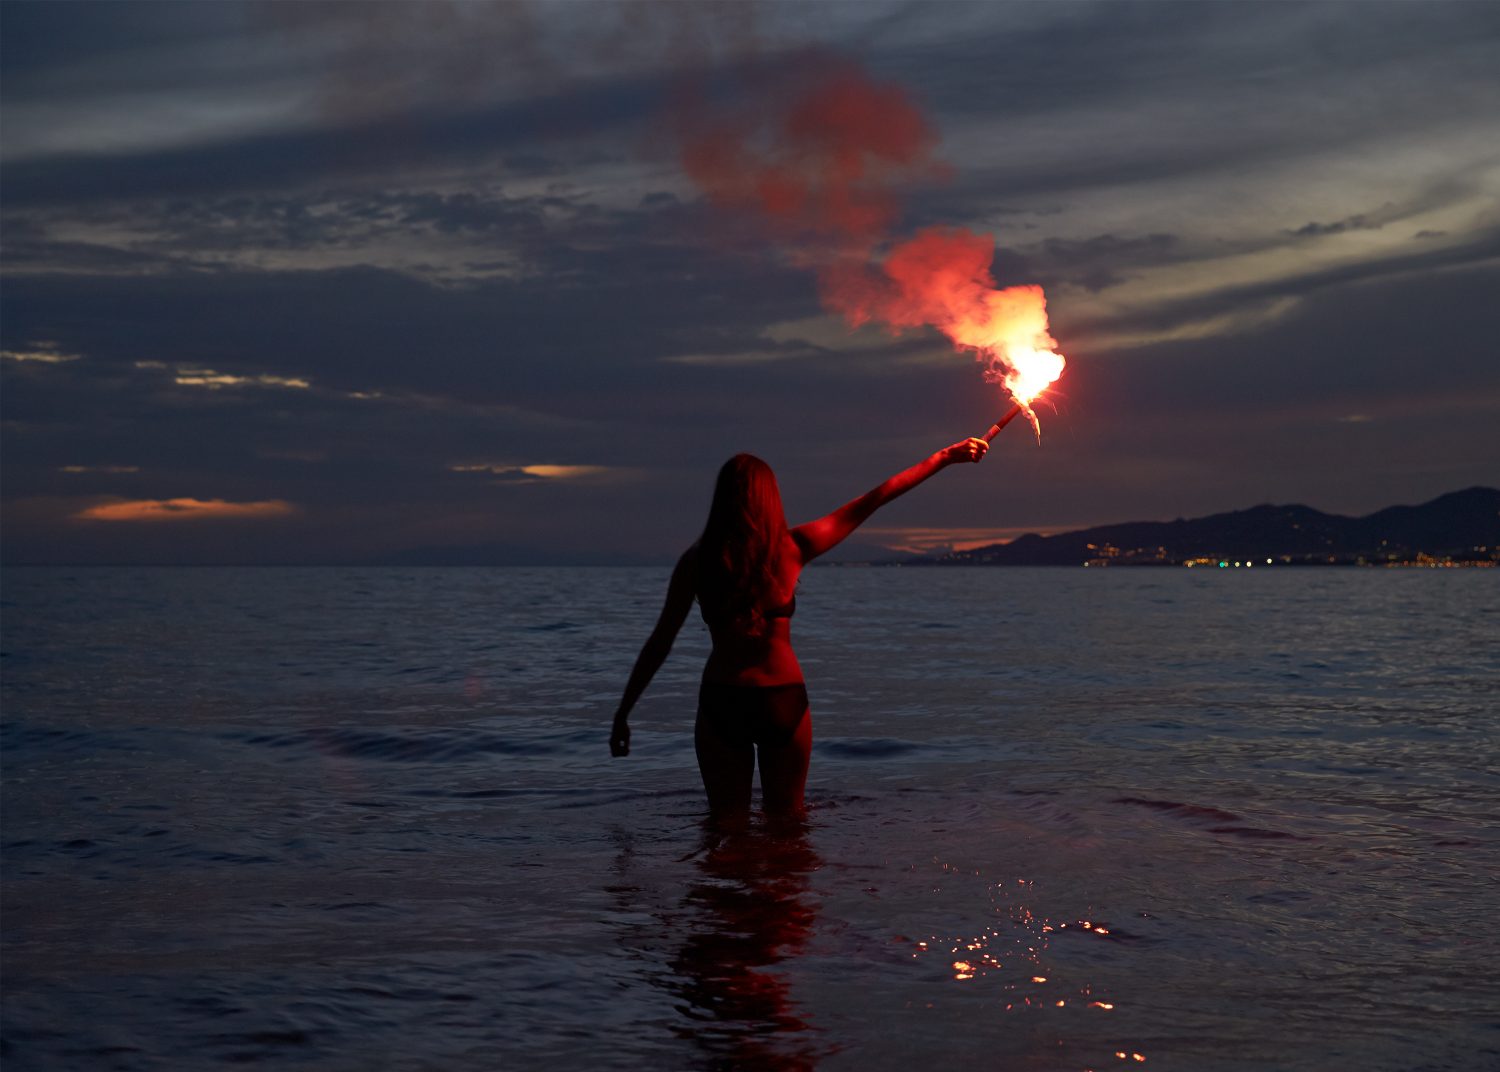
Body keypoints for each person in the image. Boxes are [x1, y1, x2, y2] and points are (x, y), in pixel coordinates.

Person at [609, 437, 990, 817]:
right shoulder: (792, 548)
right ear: (770, 498)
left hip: (722, 698)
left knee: (724, 831)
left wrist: (623, 713)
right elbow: (876, 497)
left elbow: (660, 642)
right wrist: (944, 457)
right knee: (788, 829)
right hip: (782, 699)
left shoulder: (697, 561)